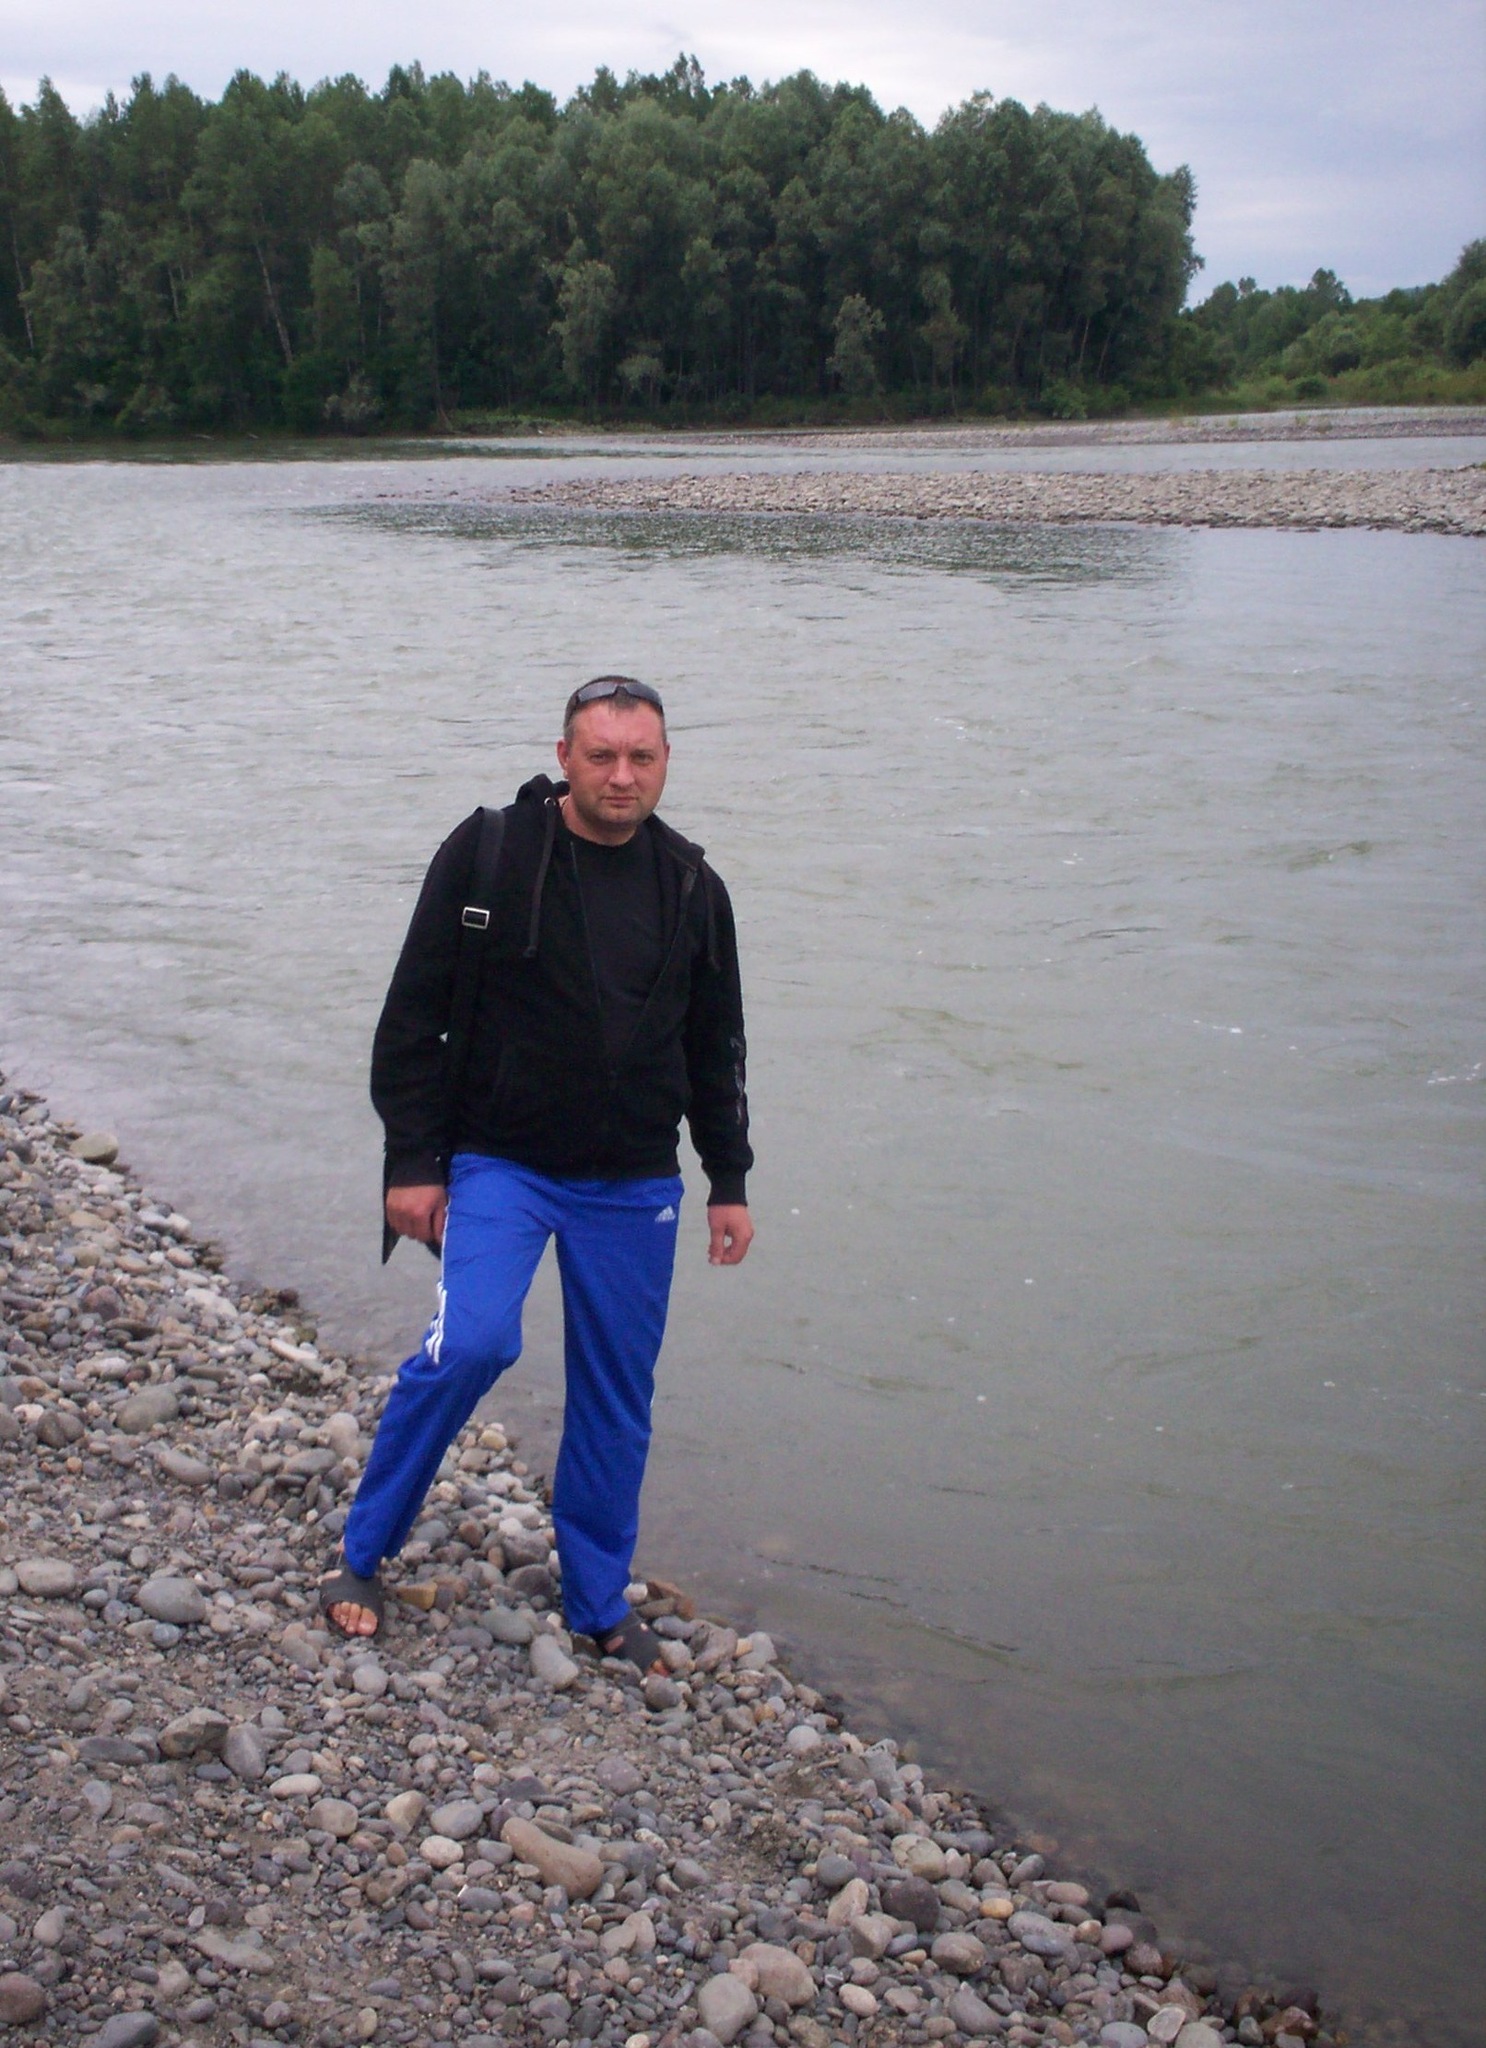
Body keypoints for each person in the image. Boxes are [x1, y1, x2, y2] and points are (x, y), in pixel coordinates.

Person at [320, 676, 753, 1671]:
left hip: (633, 1181)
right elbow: (411, 1014)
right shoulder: (490, 852)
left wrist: (727, 1178)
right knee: (470, 1343)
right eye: (601, 755)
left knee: (616, 1395)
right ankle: (361, 1554)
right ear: (564, 757)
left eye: (640, 757)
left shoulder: (692, 886)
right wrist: (411, 1162)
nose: (620, 775)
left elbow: (716, 1044)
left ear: (665, 763)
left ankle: (597, 1601)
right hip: (500, 1160)